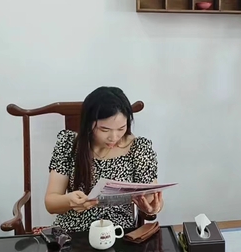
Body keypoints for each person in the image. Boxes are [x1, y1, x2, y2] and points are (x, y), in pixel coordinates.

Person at [44, 86, 163, 232]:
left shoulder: (139, 148)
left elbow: (152, 197)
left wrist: (153, 208)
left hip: (117, 232)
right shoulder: (69, 144)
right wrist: (69, 200)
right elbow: (51, 203)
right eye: (104, 130)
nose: (113, 137)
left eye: (121, 128)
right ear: (89, 124)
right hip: (73, 231)